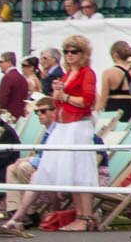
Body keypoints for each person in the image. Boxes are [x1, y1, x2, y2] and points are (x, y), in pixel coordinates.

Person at [32, 34, 100, 230]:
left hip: (77, 126)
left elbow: (87, 101)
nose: (69, 55)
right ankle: (80, 215)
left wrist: (65, 95)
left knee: (80, 170)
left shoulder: (87, 73)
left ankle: (85, 217)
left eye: (74, 51)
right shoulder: (67, 73)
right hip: (63, 125)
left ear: (83, 53)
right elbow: (59, 101)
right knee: (70, 171)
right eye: (66, 51)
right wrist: (58, 94)